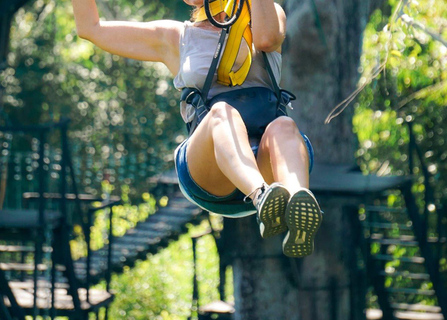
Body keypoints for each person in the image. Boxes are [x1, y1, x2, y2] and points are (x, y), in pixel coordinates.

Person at [72, 0, 323, 257]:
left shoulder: (265, 14)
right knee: (221, 114)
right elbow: (91, 28)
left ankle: (297, 202)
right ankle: (263, 198)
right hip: (211, 168)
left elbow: (268, 39)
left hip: (268, 159)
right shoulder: (176, 37)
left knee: (285, 125)